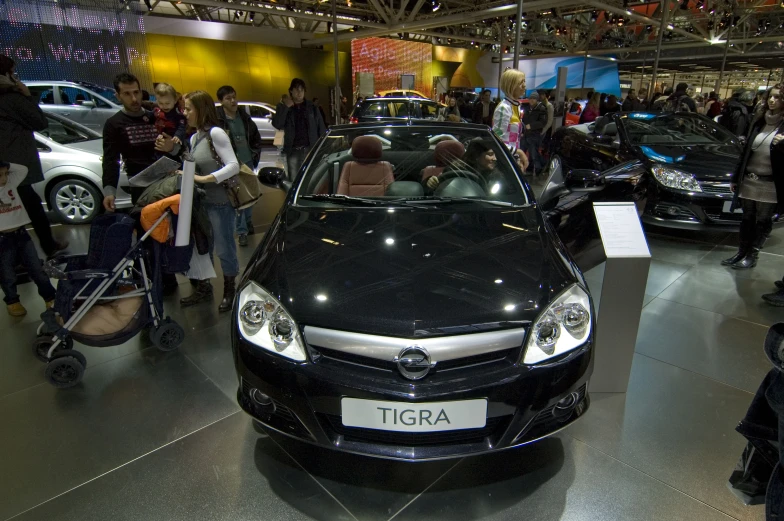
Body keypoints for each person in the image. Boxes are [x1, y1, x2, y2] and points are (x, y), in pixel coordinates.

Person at [178, 91, 241, 312]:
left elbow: (233, 165)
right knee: (202, 248)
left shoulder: (216, 134)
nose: (184, 113)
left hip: (220, 202)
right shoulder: (194, 138)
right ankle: (204, 288)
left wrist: (204, 178)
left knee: (224, 249)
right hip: (201, 203)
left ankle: (230, 290)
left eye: (188, 109)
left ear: (201, 109)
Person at [0, 54, 67, 257]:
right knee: (29, 208)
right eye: (13, 73)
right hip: (16, 166)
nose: (16, 78)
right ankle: (40, 250)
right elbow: (39, 121)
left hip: (7, 166)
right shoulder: (11, 99)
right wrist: (27, 95)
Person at [722, 84, 783, 274]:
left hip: (770, 183)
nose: (773, 101)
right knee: (746, 218)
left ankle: (752, 256)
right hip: (749, 180)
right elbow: (746, 152)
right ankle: (741, 252)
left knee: (763, 220)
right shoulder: (758, 121)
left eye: (778, 98)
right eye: (770, 97)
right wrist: (736, 177)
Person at [102, 73, 179, 209]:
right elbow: (110, 159)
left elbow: (181, 145)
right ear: (118, 96)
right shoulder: (114, 124)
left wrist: (172, 147)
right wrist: (109, 191)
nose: (134, 99)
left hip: (168, 181)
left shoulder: (157, 115)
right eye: (127, 94)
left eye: (136, 92)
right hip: (140, 186)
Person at [0, 161, 56, 316]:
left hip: (21, 234)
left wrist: (6, 165)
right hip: (2, 239)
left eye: (5, 173)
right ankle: (12, 301)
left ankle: (50, 297)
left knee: (37, 268)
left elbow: (23, 168)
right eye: (0, 175)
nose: (4, 178)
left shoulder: (11, 181)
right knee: (6, 273)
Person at [216, 85, 263, 248]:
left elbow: (256, 137)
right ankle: (242, 231)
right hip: (232, 165)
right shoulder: (219, 122)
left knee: (250, 195)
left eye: (234, 97)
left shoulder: (244, 117)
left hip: (248, 162)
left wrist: (255, 153)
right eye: (228, 98)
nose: (233, 101)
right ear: (221, 101)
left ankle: (247, 223)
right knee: (240, 198)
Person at [272, 78, 327, 180]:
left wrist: (322, 148)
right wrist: (286, 107)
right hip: (293, 150)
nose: (299, 93)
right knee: (294, 180)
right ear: (291, 91)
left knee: (311, 179)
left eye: (301, 90)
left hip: (310, 149)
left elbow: (321, 127)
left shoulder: (311, 107)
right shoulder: (283, 107)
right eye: (296, 90)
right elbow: (277, 124)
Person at [492, 68, 530, 173]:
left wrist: (517, 156)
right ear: (511, 85)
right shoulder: (504, 108)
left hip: (511, 158)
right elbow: (497, 139)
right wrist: (519, 153)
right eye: (520, 82)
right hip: (503, 161)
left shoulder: (515, 106)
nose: (524, 85)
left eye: (524, 81)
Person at [153, 83, 187, 150]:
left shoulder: (178, 114)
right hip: (160, 141)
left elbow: (181, 127)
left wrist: (177, 135)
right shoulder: (157, 111)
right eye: (161, 103)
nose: (164, 106)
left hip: (175, 141)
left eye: (167, 103)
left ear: (175, 100)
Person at [522, 91, 548, 174]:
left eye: (534, 99)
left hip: (535, 134)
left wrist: (531, 126)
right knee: (526, 151)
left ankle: (539, 168)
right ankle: (530, 168)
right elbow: (524, 120)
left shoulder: (541, 108)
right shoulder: (528, 109)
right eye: (530, 98)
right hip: (526, 134)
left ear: (537, 99)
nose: (531, 100)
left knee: (534, 153)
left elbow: (543, 122)